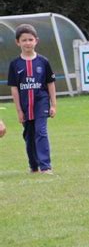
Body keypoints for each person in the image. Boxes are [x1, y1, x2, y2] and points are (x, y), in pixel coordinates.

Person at [7, 24, 56, 174]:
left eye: (30, 39)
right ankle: (34, 165)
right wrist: (19, 110)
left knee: (41, 131)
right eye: (24, 40)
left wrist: (53, 104)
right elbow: (14, 88)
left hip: (41, 101)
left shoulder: (43, 62)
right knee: (29, 135)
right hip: (25, 105)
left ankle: (46, 166)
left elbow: (50, 83)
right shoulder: (15, 64)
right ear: (18, 42)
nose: (27, 43)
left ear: (36, 41)